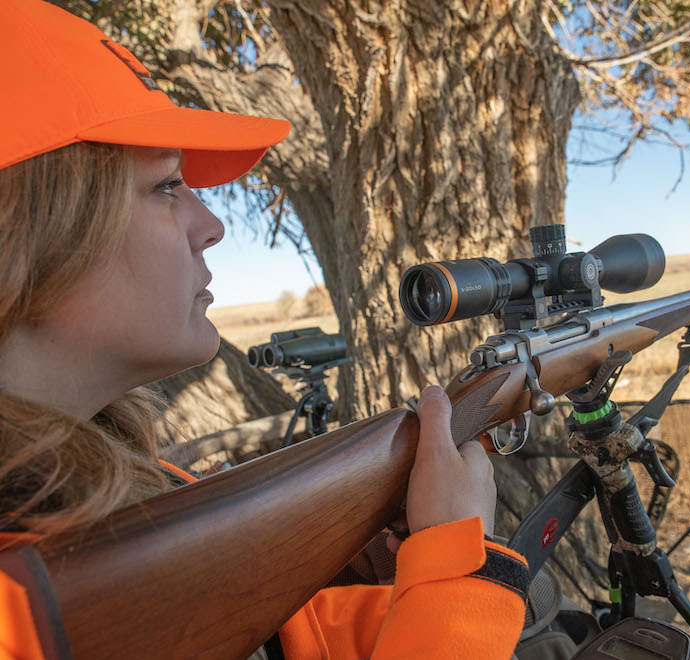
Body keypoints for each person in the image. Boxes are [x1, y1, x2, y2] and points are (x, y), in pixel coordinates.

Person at [0, 1, 529, 658]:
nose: (211, 225)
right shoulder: (23, 605)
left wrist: (389, 579)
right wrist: (456, 583)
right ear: (29, 232)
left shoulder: (127, 485)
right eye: (167, 187)